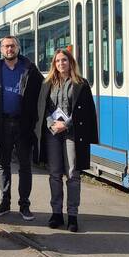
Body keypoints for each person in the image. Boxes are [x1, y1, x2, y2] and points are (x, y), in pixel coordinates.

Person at [34, 48, 98, 232]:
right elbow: (43, 108)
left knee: (72, 174)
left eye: (64, 60)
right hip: (52, 133)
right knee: (54, 174)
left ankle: (72, 215)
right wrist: (50, 123)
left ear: (71, 62)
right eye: (57, 61)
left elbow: (85, 111)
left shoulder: (81, 84)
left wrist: (66, 124)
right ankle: (56, 213)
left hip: (72, 134)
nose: (61, 64)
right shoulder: (47, 83)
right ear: (54, 64)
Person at [0, 36, 43, 220]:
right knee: (3, 164)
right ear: (1, 50)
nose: (9, 49)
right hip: (3, 123)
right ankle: (4, 202)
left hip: (23, 124)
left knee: (25, 165)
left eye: (12, 46)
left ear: (18, 48)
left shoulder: (30, 69)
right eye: (6, 46)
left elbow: (44, 91)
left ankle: (24, 205)